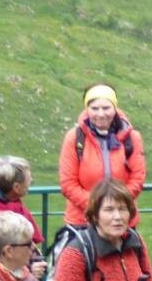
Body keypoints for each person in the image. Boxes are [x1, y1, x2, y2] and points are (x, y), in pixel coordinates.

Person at [59, 83, 147, 228]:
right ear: (87, 109)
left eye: (106, 108)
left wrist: (114, 208)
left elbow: (137, 179)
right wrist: (98, 207)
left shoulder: (132, 138)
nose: (100, 114)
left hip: (122, 221)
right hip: (83, 221)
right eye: (94, 108)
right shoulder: (74, 138)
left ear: (115, 108)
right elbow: (68, 183)